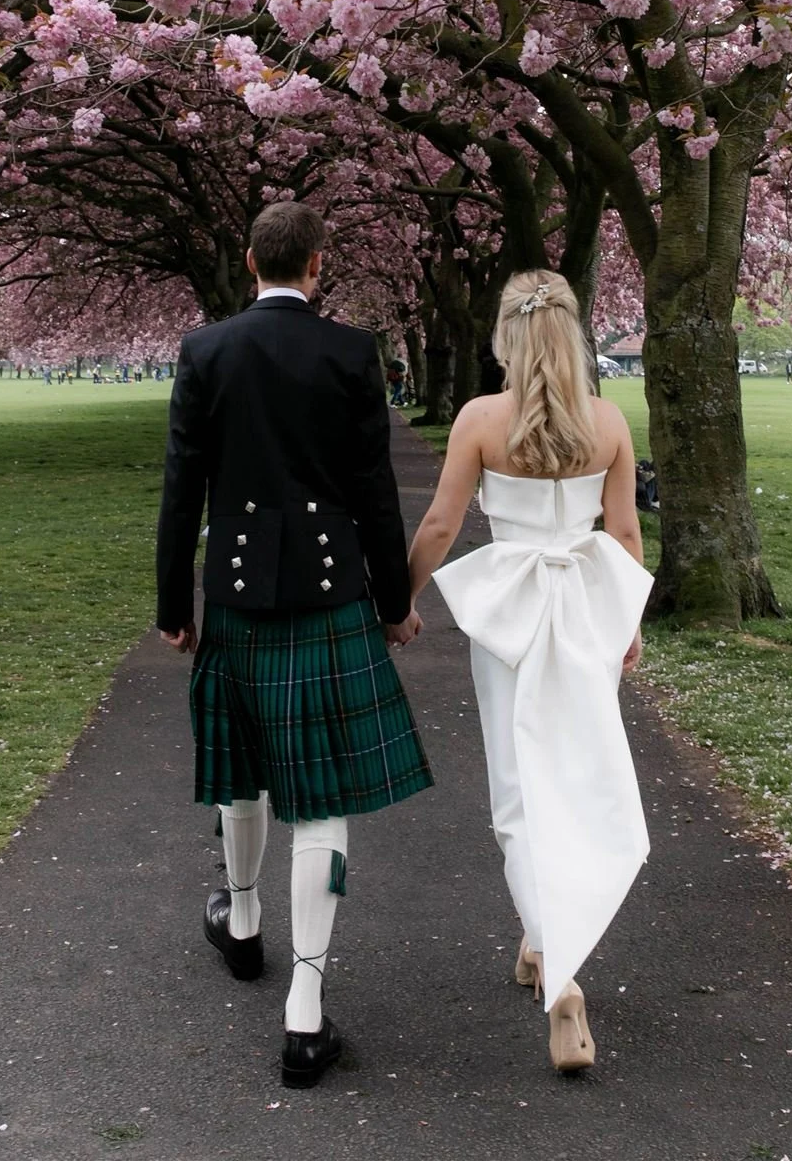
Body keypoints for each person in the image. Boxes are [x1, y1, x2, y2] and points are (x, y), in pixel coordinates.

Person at [156, 201, 432, 1089]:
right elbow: (375, 492)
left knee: (242, 770)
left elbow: (181, 490)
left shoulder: (206, 352)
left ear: (248, 261)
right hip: (327, 596)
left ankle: (241, 926)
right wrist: (394, 600)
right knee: (318, 801)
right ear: (318, 265)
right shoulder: (352, 353)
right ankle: (304, 1014)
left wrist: (174, 605)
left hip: (236, 597)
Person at [407, 269, 651, 1073]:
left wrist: (398, 596)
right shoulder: (608, 421)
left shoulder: (482, 418)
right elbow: (621, 536)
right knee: (574, 774)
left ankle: (562, 977)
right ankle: (540, 937)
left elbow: (442, 522)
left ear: (505, 337)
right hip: (585, 610)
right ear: (574, 334)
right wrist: (629, 621)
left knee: (517, 785)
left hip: (509, 613)